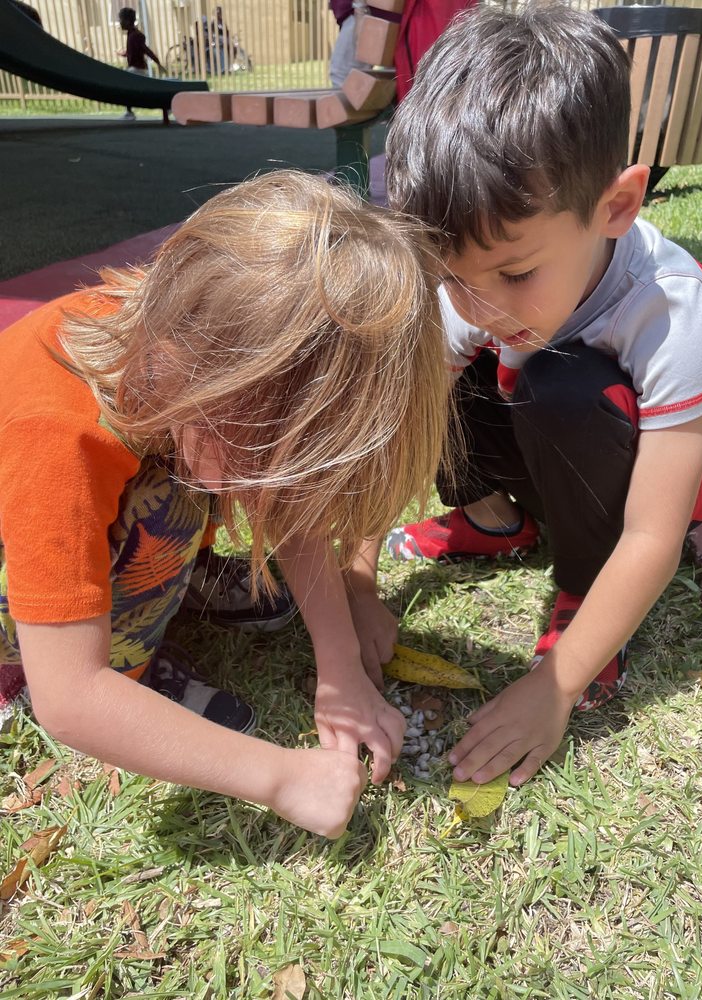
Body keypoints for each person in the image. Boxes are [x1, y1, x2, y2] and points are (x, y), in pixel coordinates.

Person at [355, 3, 702, 788]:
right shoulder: (477, 286)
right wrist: (357, 578)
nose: (478, 303)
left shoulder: (670, 309)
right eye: (452, 274)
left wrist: (558, 684)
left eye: (515, 273)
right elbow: (400, 434)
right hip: (538, 450)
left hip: (626, 493)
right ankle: (498, 520)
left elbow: (654, 533)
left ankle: (582, 584)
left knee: (560, 382)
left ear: (616, 206)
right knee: (429, 363)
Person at [0, 171, 451, 838]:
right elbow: (70, 697)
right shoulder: (56, 434)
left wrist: (340, 668)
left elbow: (286, 502)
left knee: (193, 478)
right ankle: (116, 661)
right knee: (171, 502)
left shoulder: (193, 337)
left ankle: (172, 580)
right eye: (265, 464)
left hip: (110, 480)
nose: (278, 500)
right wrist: (281, 777)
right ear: (211, 384)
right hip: (22, 562)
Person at [118, 6, 163, 120]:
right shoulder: (131, 34)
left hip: (137, 69)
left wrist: (158, 62)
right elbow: (135, 51)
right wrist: (126, 53)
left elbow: (145, 49)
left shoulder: (135, 35)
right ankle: (129, 111)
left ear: (127, 21)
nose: (120, 22)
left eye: (121, 19)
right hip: (136, 69)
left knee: (125, 86)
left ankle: (129, 113)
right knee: (138, 91)